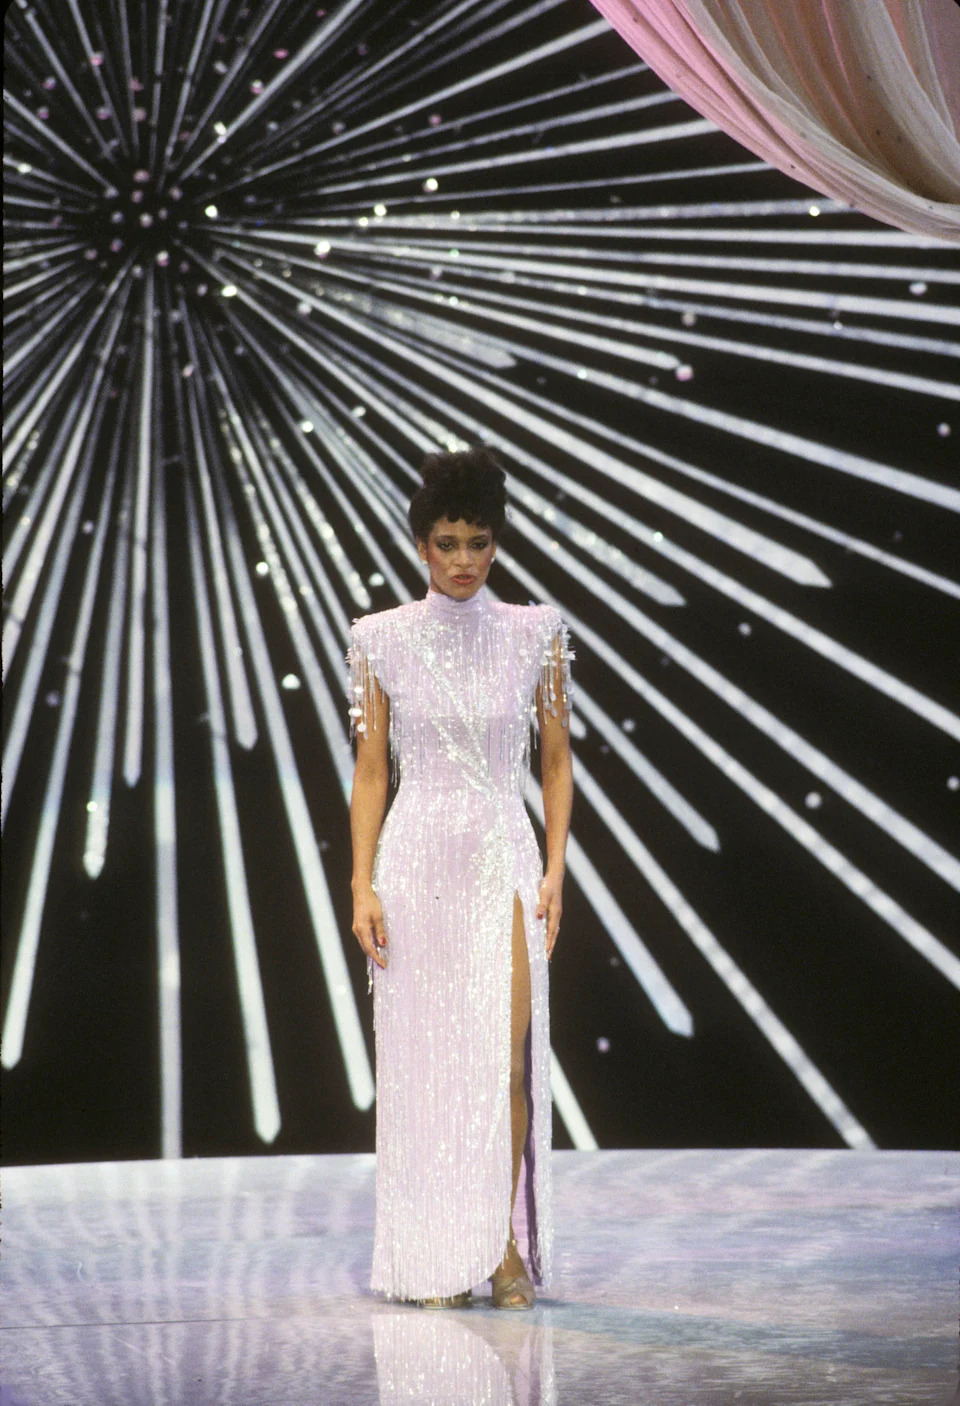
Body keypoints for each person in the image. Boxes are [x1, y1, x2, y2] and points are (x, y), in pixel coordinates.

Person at [347, 446, 573, 1308]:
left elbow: (557, 761)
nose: (464, 559)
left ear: (496, 542)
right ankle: (436, 1251)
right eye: (447, 543)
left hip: (503, 857)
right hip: (415, 865)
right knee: (427, 1067)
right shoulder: (379, 639)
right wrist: (361, 884)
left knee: (503, 1063)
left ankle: (500, 1245)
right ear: (421, 547)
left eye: (479, 542)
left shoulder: (537, 633)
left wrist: (556, 869)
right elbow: (372, 771)